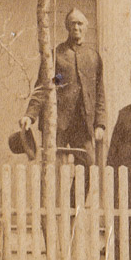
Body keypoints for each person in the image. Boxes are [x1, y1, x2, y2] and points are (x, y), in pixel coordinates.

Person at [22, 9, 106, 163]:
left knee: (88, 163)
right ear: (67, 26)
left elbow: (99, 93)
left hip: (83, 123)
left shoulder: (93, 57)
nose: (76, 27)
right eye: (72, 23)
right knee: (55, 166)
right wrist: (30, 115)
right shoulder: (58, 56)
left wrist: (100, 123)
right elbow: (45, 87)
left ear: (86, 27)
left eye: (80, 23)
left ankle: (76, 189)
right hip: (58, 122)